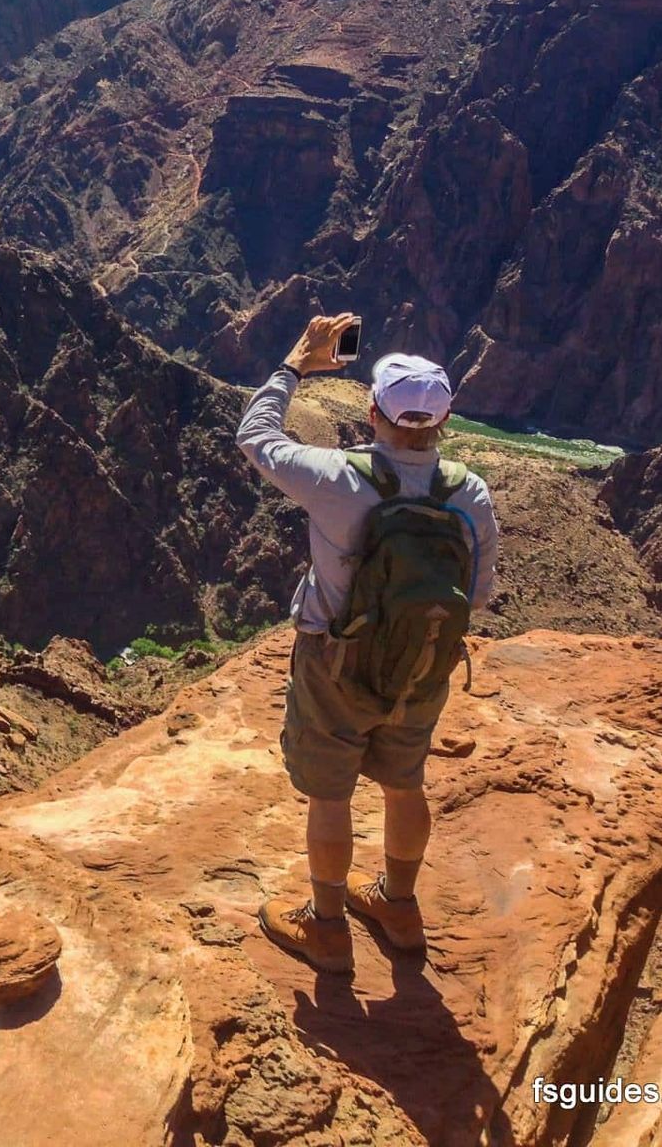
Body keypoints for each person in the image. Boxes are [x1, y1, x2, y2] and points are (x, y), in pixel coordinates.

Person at [236, 313, 499, 973]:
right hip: (423, 665)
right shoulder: (472, 492)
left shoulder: (337, 477)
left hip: (336, 664)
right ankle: (398, 907)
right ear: (444, 421)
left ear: (374, 412)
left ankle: (327, 928)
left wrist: (295, 362)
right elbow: (481, 591)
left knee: (332, 796)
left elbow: (255, 435)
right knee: (404, 785)